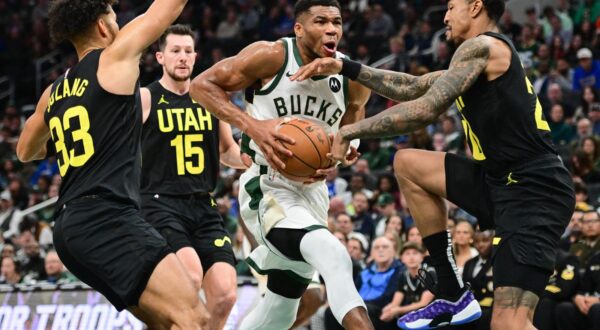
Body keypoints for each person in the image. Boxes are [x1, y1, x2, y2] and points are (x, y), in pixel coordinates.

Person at [291, 0, 575, 329]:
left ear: (475, 7)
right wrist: (346, 67)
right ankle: (451, 290)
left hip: (533, 190)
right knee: (408, 163)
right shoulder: (474, 57)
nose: (445, 16)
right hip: (498, 180)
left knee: (510, 323)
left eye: (452, 7)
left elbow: (425, 110)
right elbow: (414, 86)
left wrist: (352, 131)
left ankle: (453, 294)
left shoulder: (482, 46)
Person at [15, 0, 208, 327]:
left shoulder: (54, 91)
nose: (120, 25)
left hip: (68, 229)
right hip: (106, 217)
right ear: (104, 26)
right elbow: (166, 10)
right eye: (115, 18)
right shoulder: (115, 57)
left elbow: (25, 151)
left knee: (166, 323)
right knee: (195, 318)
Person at [190, 1, 373, 329]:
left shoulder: (351, 75)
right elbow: (201, 86)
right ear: (299, 28)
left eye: (337, 22)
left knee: (282, 307)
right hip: (267, 187)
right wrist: (252, 126)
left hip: (315, 195)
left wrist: (345, 149)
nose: (332, 29)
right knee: (334, 256)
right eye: (321, 21)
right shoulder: (272, 55)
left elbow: (354, 118)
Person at [139, 25, 247, 329]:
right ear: (160, 57)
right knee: (189, 278)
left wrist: (258, 160)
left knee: (225, 295)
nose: (183, 57)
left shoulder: (210, 99)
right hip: (159, 203)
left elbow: (228, 150)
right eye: (175, 51)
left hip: (203, 205)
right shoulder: (145, 98)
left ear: (196, 56)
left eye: (188, 51)